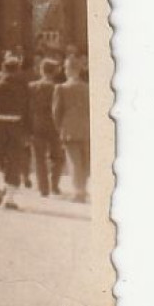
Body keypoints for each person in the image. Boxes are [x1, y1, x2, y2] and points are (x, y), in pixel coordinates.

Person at [0, 54, 31, 209]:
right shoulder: (24, 86)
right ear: (18, 69)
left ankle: (0, 184)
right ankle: (9, 199)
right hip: (16, 126)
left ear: (3, 68)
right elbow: (29, 110)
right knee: (14, 160)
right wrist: (28, 131)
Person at [53, 55, 92, 203]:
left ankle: (78, 191)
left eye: (65, 68)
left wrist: (59, 128)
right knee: (85, 160)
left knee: (74, 160)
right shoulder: (87, 88)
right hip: (86, 128)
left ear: (69, 70)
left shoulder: (61, 88)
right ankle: (83, 188)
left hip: (69, 129)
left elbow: (56, 111)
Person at [27, 57, 65, 197]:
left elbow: (27, 107)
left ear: (41, 71)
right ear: (54, 72)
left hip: (36, 124)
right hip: (55, 125)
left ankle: (43, 188)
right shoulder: (58, 88)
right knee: (58, 157)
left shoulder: (31, 87)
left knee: (39, 157)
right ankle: (54, 185)